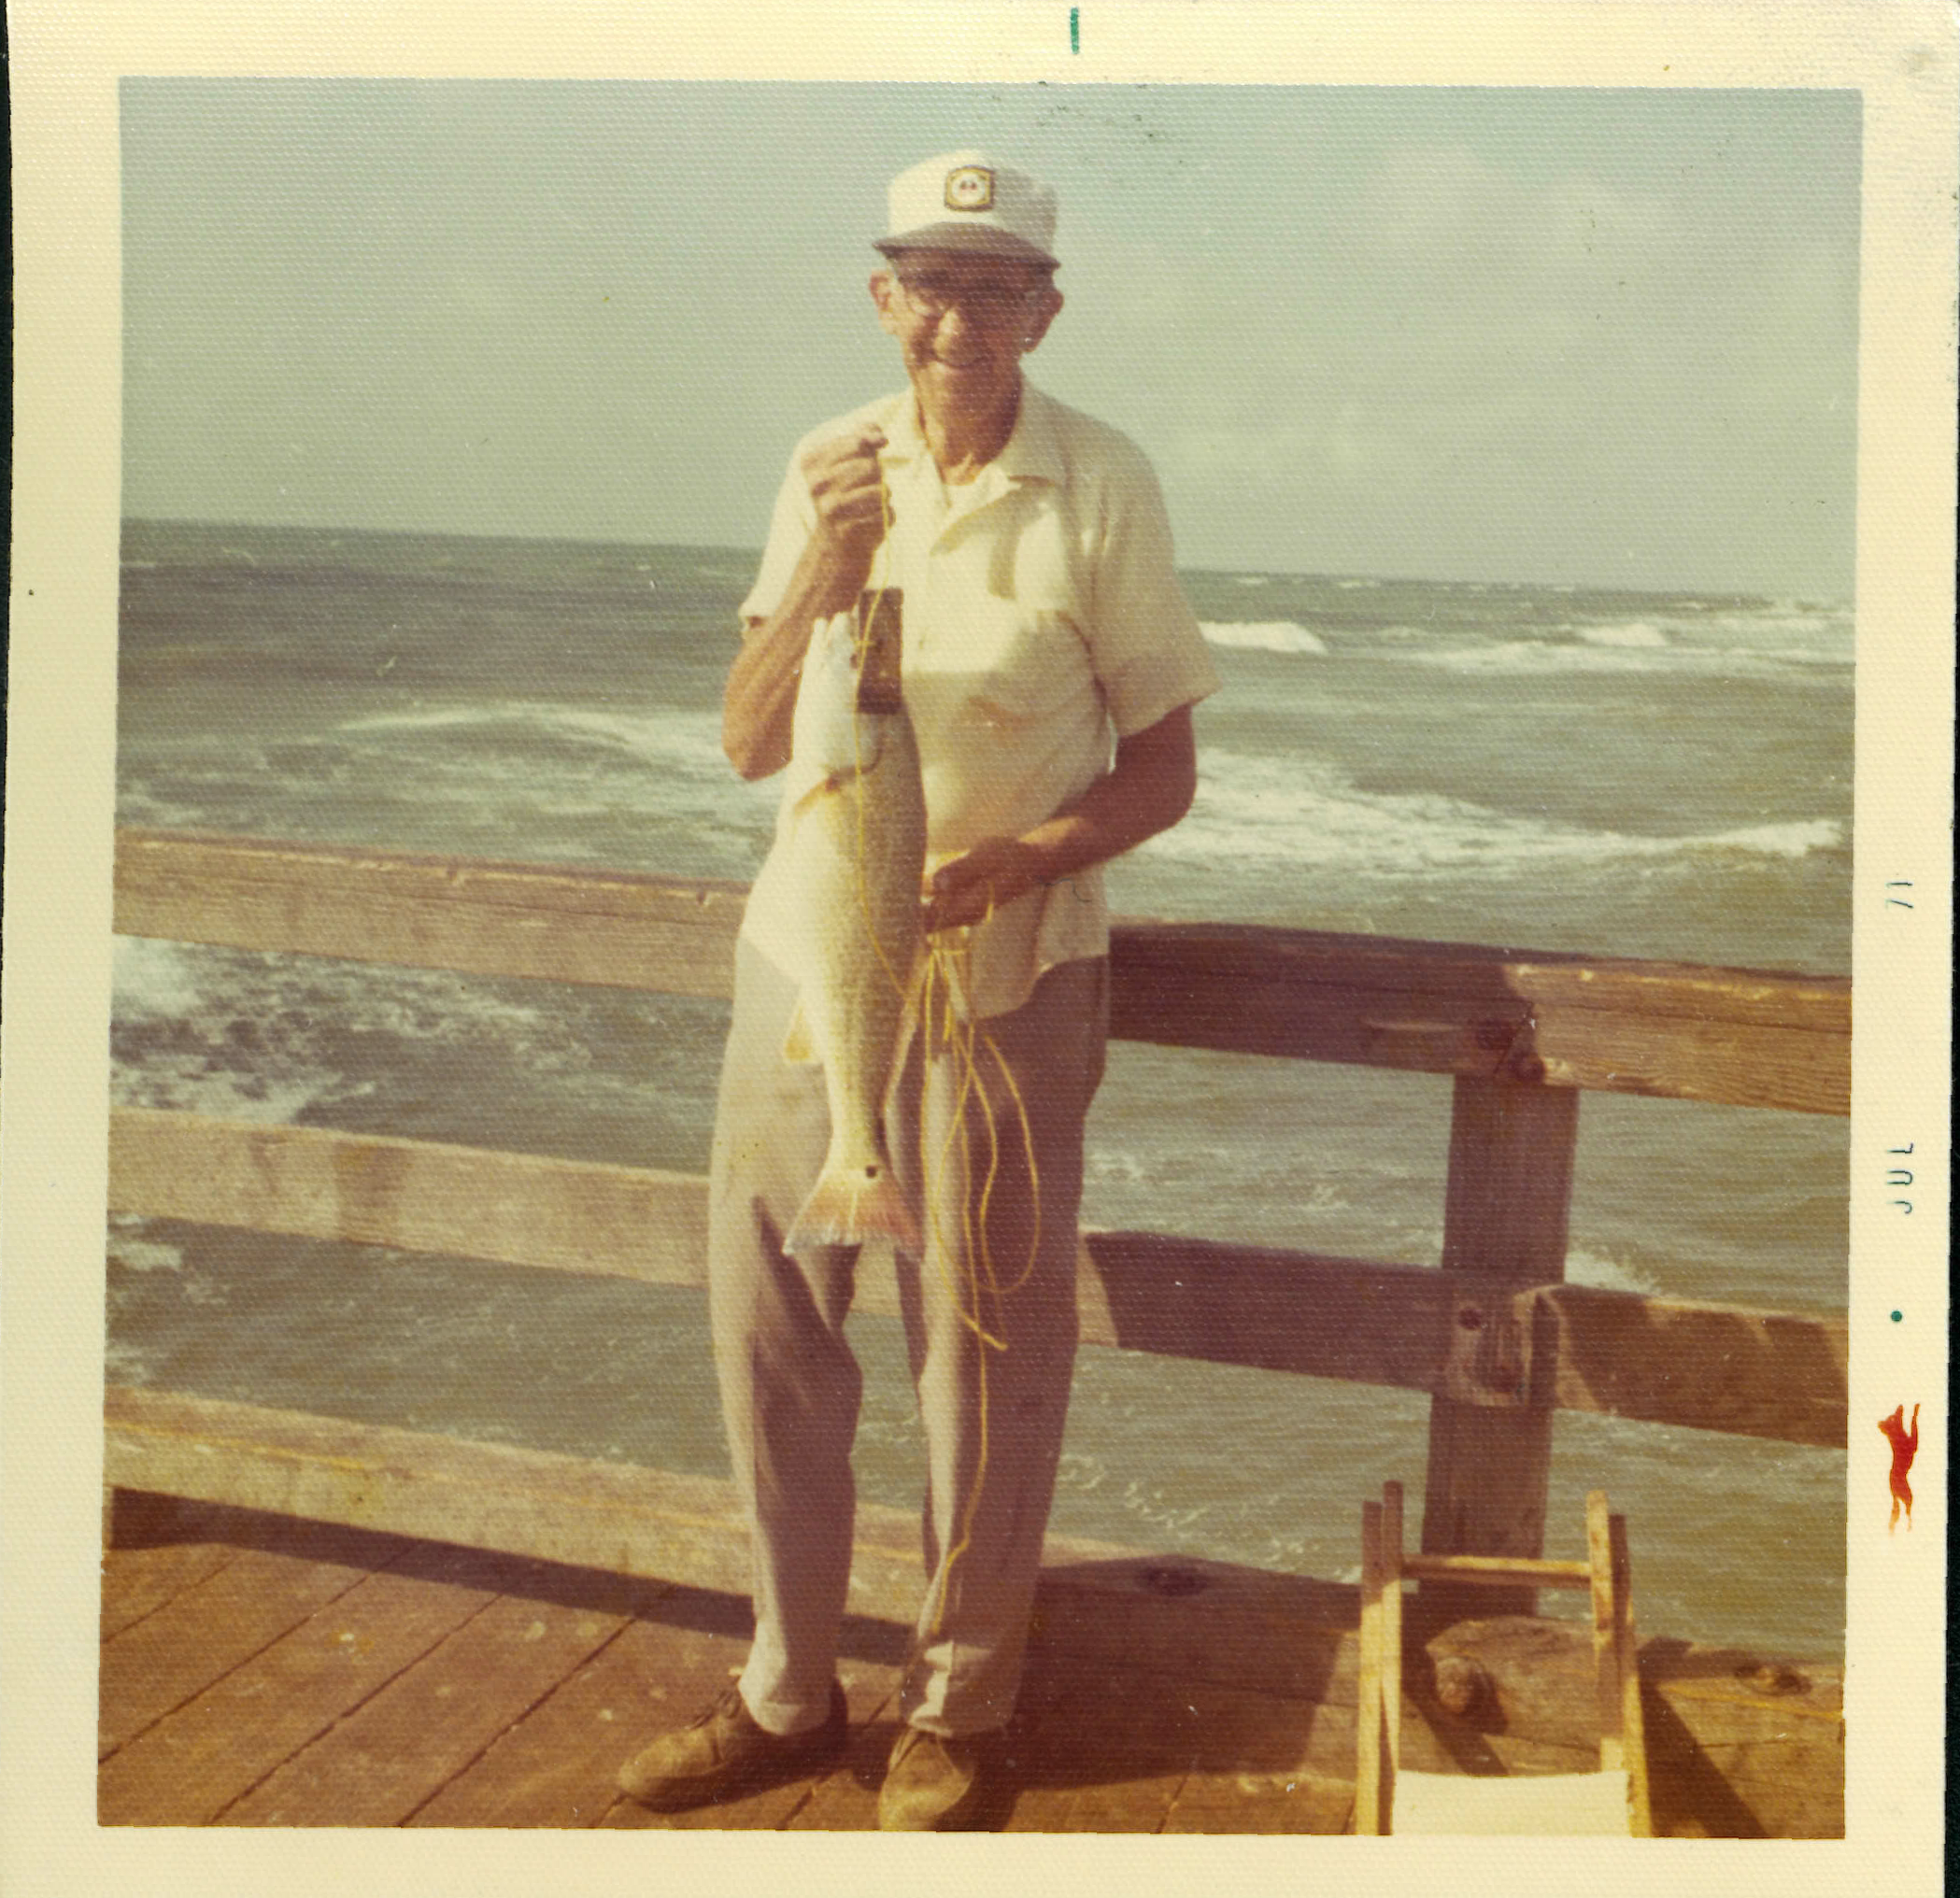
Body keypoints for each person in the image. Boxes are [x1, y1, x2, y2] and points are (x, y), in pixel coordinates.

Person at [616, 149, 1220, 1831]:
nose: (958, 315)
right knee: (770, 1328)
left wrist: (1019, 858)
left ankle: (960, 1702)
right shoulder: (825, 467)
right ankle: (787, 1692)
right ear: (883, 297)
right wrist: (821, 560)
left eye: (993, 285)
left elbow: (1161, 771)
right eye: (927, 282)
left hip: (1009, 977)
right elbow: (748, 738)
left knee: (985, 1350)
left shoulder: (1098, 483)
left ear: (1043, 307)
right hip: (807, 970)